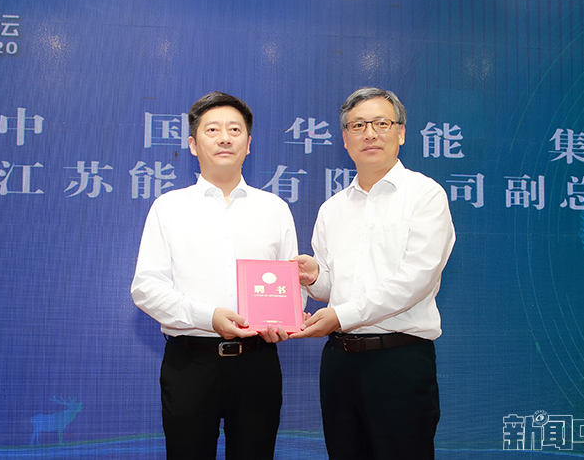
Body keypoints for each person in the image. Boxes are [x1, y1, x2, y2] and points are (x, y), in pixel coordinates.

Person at [131, 91, 299, 460]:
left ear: (248, 144)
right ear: (193, 144)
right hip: (190, 363)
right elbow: (146, 288)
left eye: (234, 130)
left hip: (257, 362)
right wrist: (209, 317)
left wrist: (282, 321)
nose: (224, 138)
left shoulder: (274, 209)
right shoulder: (168, 208)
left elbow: (292, 288)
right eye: (212, 130)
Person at [290, 87, 456, 460]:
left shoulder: (425, 196)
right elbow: (333, 288)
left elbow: (416, 280)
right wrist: (315, 276)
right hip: (340, 363)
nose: (370, 134)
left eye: (382, 123)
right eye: (358, 125)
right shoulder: (332, 208)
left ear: (401, 133)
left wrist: (339, 315)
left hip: (398, 361)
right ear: (345, 138)